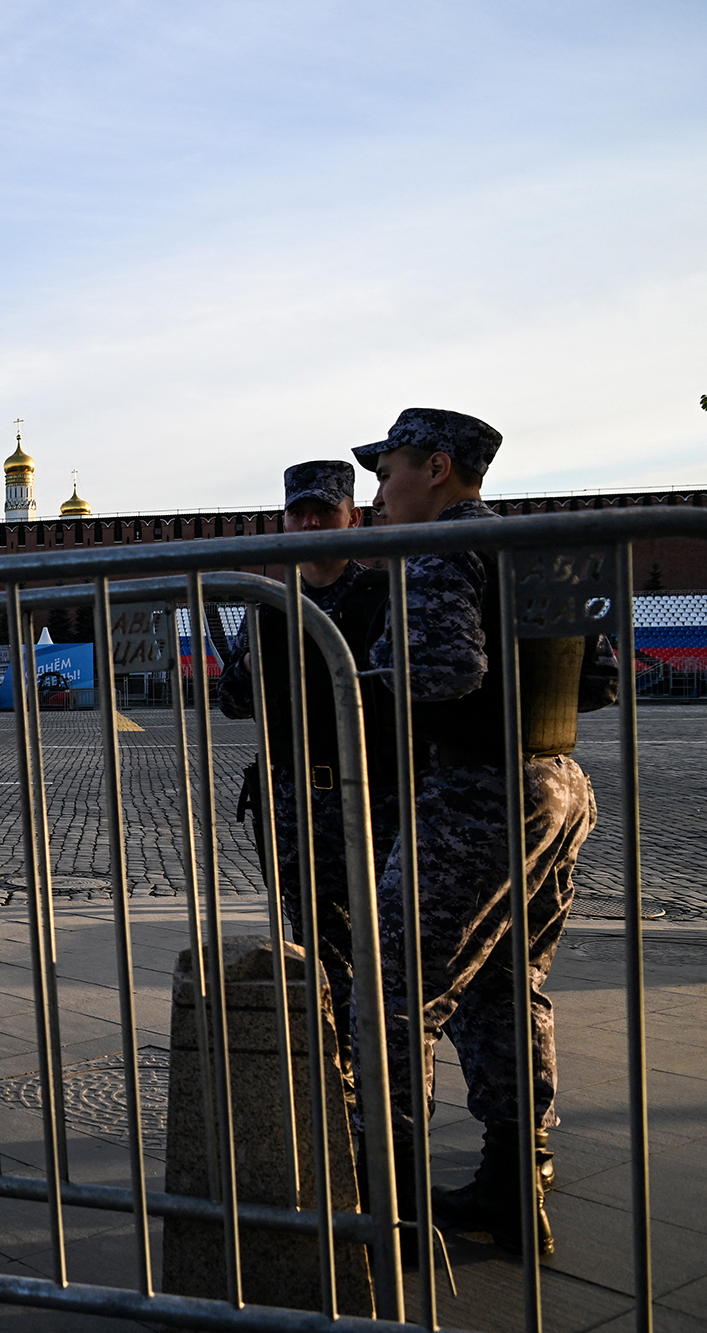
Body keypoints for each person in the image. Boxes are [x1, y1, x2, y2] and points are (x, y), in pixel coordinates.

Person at [357, 407, 600, 1257]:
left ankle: (391, 1202)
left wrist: (367, 667)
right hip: (557, 781)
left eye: (386, 471)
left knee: (392, 989)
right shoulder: (530, 544)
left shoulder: (437, 545)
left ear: (437, 466)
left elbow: (445, 666)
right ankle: (515, 1183)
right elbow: (597, 675)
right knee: (505, 985)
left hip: (474, 790)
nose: (377, 491)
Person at [220, 462, 396, 1053]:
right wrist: (249, 668)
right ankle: (340, 1078)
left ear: (354, 517)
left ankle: (391, 1098)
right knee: (318, 947)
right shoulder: (270, 605)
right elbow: (233, 702)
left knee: (390, 949)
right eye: (300, 511)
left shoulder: (385, 594)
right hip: (296, 799)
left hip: (380, 799)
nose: (312, 521)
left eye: (324, 509)